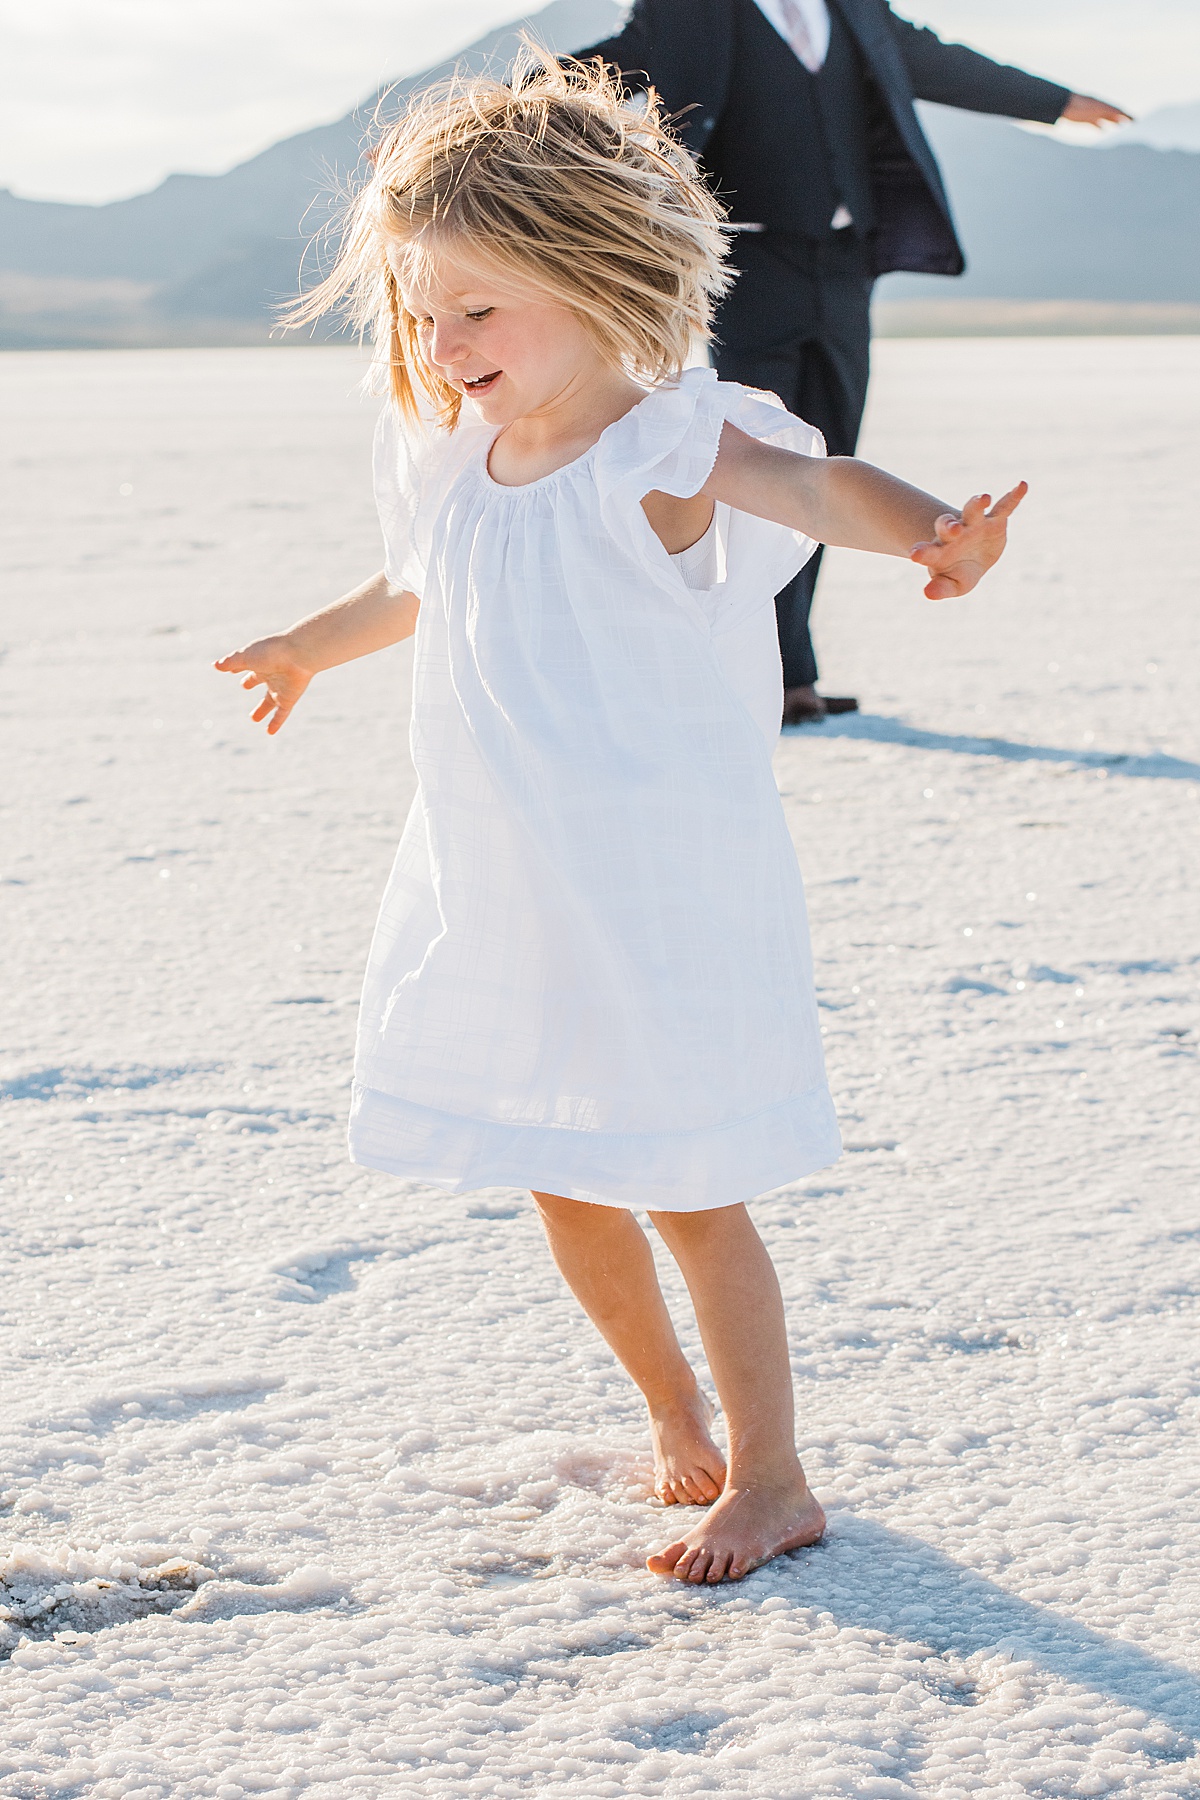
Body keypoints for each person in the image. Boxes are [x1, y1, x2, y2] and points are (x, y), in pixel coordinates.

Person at [216, 54, 1024, 1583]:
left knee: (687, 1187)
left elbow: (817, 482)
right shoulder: (462, 466)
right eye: (425, 312)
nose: (443, 345)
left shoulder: (660, 445)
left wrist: (937, 535)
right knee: (562, 1171)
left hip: (654, 882)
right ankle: (675, 1414)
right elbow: (416, 591)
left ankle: (774, 1474)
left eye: (478, 309)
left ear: (592, 277)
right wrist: (303, 651)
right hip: (507, 875)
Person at [579, 0, 1128, 722]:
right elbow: (593, 71)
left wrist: (1055, 103)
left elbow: (941, 63)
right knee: (765, 473)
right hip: (749, 268)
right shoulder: (692, 11)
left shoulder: (856, 9)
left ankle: (791, 672)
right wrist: (472, 130)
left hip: (844, 268)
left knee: (833, 452)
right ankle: (764, 675)